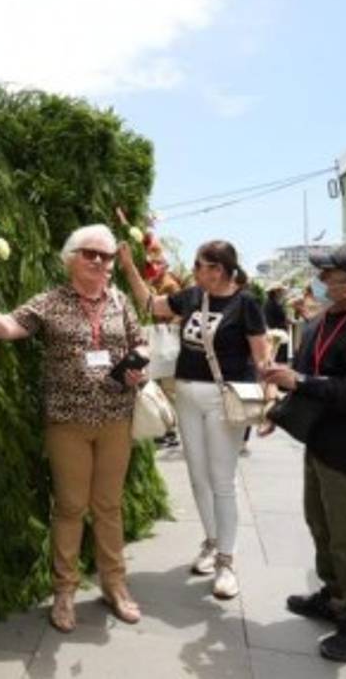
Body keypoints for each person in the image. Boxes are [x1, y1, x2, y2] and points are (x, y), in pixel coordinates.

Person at [0, 224, 145, 633]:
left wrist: (137, 370)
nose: (99, 261)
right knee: (71, 507)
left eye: (106, 256)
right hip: (68, 423)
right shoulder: (51, 302)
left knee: (109, 506)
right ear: (70, 258)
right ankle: (64, 591)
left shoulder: (121, 301)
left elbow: (139, 343)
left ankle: (115, 585)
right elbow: (8, 328)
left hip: (116, 418)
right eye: (90, 253)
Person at [261, 244, 346, 663]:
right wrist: (278, 410)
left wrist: (299, 382)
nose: (321, 278)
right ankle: (335, 597)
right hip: (321, 442)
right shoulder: (323, 321)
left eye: (329, 273)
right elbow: (309, 377)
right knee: (321, 525)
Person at [119, 239, 271, 600]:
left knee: (221, 480)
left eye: (201, 265)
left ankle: (226, 561)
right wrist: (128, 265)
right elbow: (150, 304)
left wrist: (270, 401)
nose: (195, 270)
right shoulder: (191, 296)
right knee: (197, 476)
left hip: (223, 397)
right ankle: (212, 542)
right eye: (196, 265)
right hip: (186, 393)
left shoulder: (246, 303)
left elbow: (261, 358)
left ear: (219, 269)